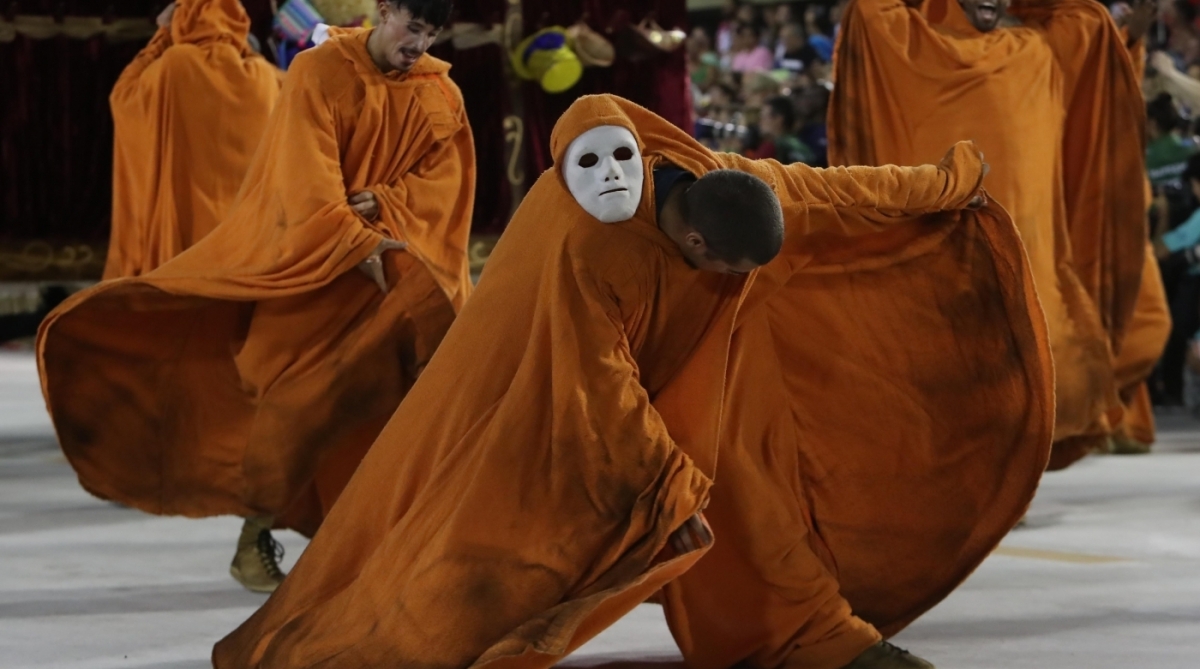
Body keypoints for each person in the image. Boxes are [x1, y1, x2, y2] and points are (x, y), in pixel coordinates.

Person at [215, 95, 1051, 669]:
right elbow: (598, 386)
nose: (732, 278)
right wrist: (668, 491)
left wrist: (949, 180)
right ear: (697, 248)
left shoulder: (724, 177)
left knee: (744, 489)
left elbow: (838, 190)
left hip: (675, 371)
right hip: (523, 388)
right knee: (487, 551)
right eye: (728, 270)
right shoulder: (596, 250)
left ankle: (815, 634)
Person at [37, 0, 473, 594]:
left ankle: (379, 552)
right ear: (384, 11)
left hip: (397, 268)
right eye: (412, 26)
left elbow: (445, 183)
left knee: (401, 410)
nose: (419, 43)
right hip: (315, 269)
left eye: (431, 32)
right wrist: (353, 242)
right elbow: (302, 173)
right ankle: (256, 539)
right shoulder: (318, 71)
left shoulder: (440, 95)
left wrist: (390, 207)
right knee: (297, 404)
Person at [830, 0, 1163, 469]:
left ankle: (1006, 477)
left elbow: (1090, 35)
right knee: (955, 388)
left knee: (1042, 379)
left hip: (1031, 269)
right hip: (944, 268)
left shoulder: (1036, 51)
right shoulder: (909, 47)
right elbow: (869, 9)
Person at [104, 0, 281, 278]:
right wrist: (240, 45)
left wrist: (162, 35)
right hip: (244, 243)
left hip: (185, 240)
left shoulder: (174, 66)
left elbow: (123, 93)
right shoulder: (265, 79)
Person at [757, 95, 817, 164]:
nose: (760, 121)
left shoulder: (771, 148)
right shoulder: (803, 146)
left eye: (764, 117)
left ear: (779, 119)